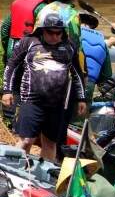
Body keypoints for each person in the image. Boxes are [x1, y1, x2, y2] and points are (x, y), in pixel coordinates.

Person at [2, 13, 86, 161]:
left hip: (56, 105)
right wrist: (7, 91)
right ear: (42, 30)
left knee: (50, 143)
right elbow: (12, 66)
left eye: (58, 32)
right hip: (31, 101)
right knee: (26, 141)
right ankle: (15, 169)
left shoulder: (69, 47)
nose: (54, 36)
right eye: (50, 32)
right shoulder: (28, 42)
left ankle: (45, 177)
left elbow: (77, 74)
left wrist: (81, 98)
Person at [1, 0, 60, 64]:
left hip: (12, 50)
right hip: (31, 54)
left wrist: (7, 51)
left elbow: (5, 27)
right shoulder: (47, 9)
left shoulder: (21, 1)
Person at [79, 11, 112, 107]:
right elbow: (107, 74)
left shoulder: (71, 33)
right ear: (93, 26)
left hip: (71, 80)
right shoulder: (101, 41)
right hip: (89, 83)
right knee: (82, 117)